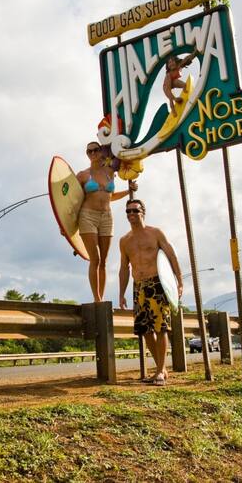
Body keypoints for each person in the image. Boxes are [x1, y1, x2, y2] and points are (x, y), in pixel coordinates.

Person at [118, 199, 182, 386]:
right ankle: (161, 368)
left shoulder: (155, 233)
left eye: (135, 211)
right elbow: (124, 268)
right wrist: (121, 293)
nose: (131, 215)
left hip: (157, 283)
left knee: (161, 328)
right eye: (128, 211)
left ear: (143, 212)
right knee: (145, 330)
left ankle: (160, 372)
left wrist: (179, 281)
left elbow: (171, 255)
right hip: (138, 286)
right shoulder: (125, 241)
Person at [76, 142, 136, 302]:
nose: (93, 153)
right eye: (89, 151)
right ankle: (96, 299)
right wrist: (65, 225)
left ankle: (101, 298)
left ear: (102, 151)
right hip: (87, 216)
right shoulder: (82, 175)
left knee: (104, 260)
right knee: (94, 258)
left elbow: (111, 195)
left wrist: (128, 191)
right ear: (87, 154)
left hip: (107, 217)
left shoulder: (110, 172)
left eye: (96, 149)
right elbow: (73, 201)